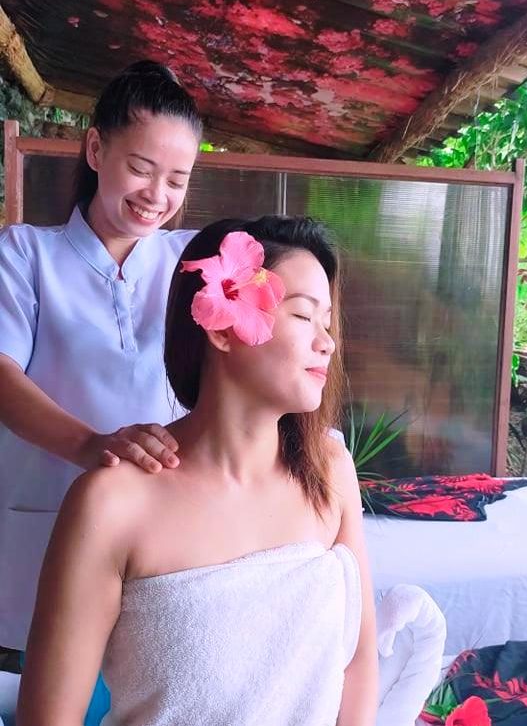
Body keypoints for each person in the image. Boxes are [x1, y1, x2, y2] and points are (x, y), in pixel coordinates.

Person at [16, 216, 379, 725]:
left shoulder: (329, 472)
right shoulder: (112, 504)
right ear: (222, 328)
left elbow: (358, 664)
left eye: (327, 322)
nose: (328, 343)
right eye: (303, 315)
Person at [0, 61, 202, 721]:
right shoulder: (25, 255)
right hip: (49, 520)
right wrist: (93, 445)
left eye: (177, 179)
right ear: (95, 149)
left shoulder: (191, 262)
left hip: (163, 534)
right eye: (141, 168)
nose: (157, 195)